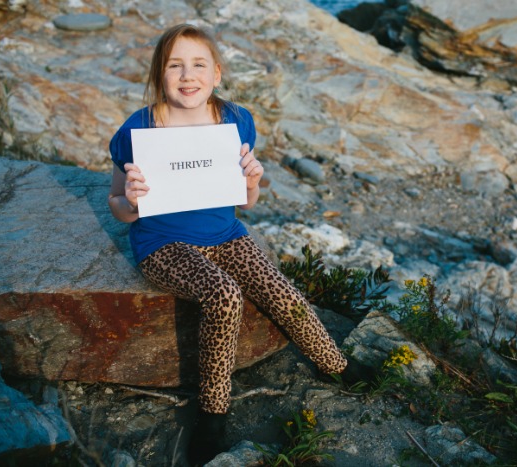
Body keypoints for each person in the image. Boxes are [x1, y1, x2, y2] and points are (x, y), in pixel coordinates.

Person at [108, 23, 372, 458]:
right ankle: (213, 415)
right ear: (159, 74)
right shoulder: (139, 128)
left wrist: (253, 179)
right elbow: (116, 203)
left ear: (217, 73)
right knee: (225, 294)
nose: (187, 76)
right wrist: (131, 201)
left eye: (198, 65)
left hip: (226, 233)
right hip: (162, 243)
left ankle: (336, 365)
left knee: (281, 290)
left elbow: (246, 202)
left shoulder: (233, 119)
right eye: (175, 66)